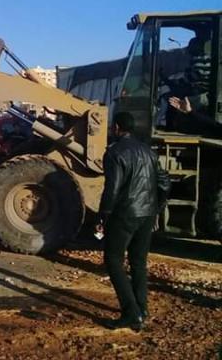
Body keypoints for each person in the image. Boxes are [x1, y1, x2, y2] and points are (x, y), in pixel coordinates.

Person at [96, 112, 161, 332]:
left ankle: (130, 313)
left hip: (125, 214)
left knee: (113, 260)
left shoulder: (115, 152)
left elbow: (112, 188)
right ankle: (142, 308)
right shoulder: (149, 152)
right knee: (138, 262)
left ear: (116, 127)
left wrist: (104, 214)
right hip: (147, 213)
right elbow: (164, 182)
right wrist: (157, 207)